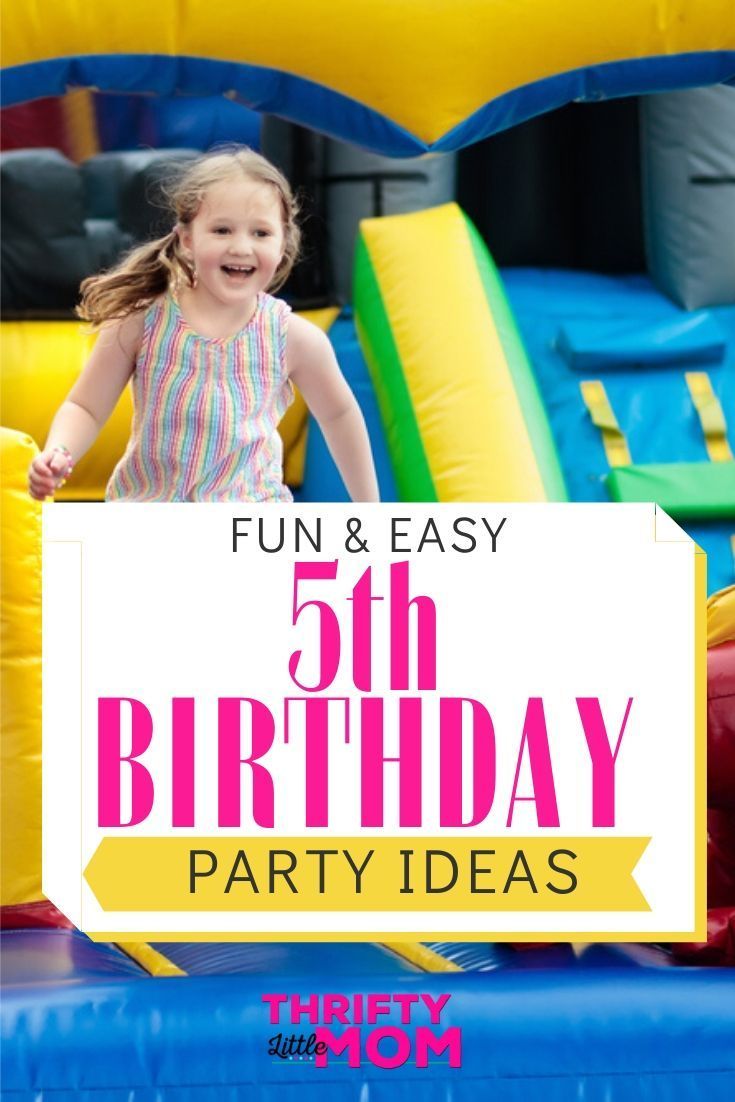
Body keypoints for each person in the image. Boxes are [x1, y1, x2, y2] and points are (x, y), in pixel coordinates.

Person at [28, 147, 379, 503]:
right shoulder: (142, 320)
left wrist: (370, 509)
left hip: (247, 520)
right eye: (222, 230)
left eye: (261, 233)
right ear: (188, 239)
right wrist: (59, 451)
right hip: (154, 516)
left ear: (283, 242)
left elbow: (339, 414)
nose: (241, 247)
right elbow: (86, 406)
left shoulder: (292, 338)